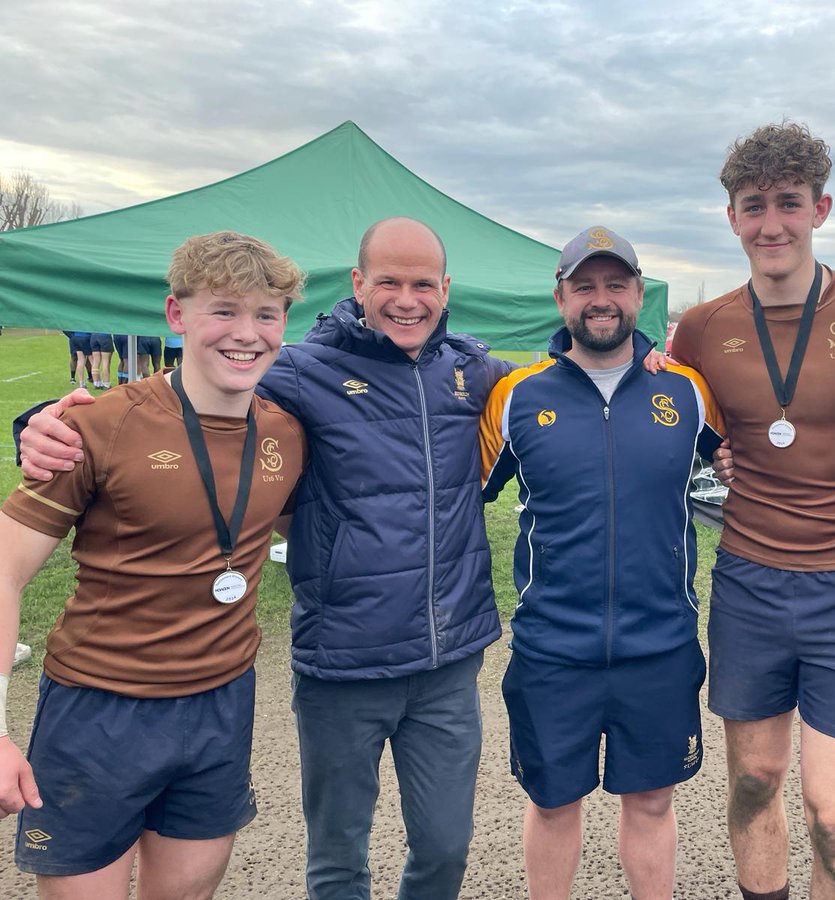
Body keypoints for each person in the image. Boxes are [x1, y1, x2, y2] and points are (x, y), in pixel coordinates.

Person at [18, 219, 673, 900]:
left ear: (445, 291)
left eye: (423, 284)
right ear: (358, 285)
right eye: (388, 281)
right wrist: (44, 422)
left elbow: (561, 384)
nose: (407, 299)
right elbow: (186, 396)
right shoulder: (299, 371)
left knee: (446, 849)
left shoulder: (473, 371)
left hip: (448, 665)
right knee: (338, 858)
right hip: (341, 665)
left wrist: (642, 361)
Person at [670, 122, 835, 900]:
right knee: (754, 781)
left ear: (820, 208)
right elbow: (689, 430)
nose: (772, 224)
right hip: (750, 584)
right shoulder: (703, 327)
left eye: (789, 203)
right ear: (731, 218)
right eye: (753, 206)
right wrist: (712, 456)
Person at [0, 231, 307, 900]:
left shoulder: (286, 431)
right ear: (176, 315)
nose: (247, 333)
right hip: (100, 710)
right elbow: (3, 571)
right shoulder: (97, 425)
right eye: (224, 310)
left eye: (266, 314)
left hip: (220, 704)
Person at [481, 226, 724, 900]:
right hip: (552, 648)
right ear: (560, 296)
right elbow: (455, 496)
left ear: (638, 294)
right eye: (584, 285)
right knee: (554, 803)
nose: (601, 298)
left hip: (660, 643)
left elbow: (753, 457)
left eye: (615, 284)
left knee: (649, 803)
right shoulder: (516, 397)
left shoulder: (690, 392)